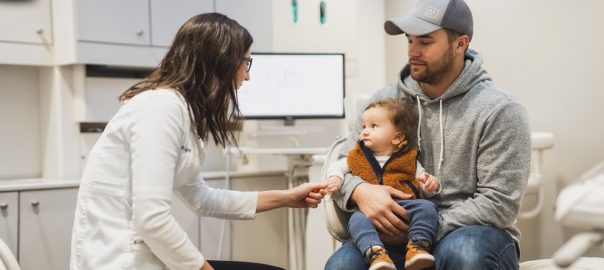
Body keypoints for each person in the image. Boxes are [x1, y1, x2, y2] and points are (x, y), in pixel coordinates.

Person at [69, 13, 327, 270]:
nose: (247, 76)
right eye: (246, 62)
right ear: (222, 61)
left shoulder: (180, 110)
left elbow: (201, 198)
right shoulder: (161, 108)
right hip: (119, 259)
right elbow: (152, 220)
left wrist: (287, 197)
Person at [325, 0, 531, 269]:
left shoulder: (500, 110)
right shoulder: (384, 101)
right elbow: (346, 165)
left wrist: (419, 228)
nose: (413, 51)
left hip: (471, 231)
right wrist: (360, 191)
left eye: (425, 41)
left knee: (464, 253)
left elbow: (499, 204)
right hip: (387, 235)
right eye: (410, 41)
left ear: (460, 44)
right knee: (341, 265)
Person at [325, 99, 441, 270]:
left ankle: (417, 247)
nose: (364, 132)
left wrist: (431, 186)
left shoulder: (409, 158)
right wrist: (336, 178)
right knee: (356, 219)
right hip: (369, 213)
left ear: (397, 137)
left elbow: (422, 181)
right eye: (363, 126)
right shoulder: (358, 156)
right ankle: (376, 254)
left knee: (428, 208)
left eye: (373, 126)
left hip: (405, 208)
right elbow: (338, 165)